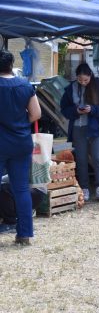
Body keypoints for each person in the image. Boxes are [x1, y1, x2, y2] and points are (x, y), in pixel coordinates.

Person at [0, 49, 41, 245]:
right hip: (21, 142)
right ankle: (24, 234)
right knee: (22, 189)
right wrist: (18, 123)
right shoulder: (25, 85)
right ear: (11, 65)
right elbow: (36, 114)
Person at [60, 63, 99, 202]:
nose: (82, 82)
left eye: (85, 80)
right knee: (81, 159)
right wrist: (75, 111)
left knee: (98, 157)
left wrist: (93, 109)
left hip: (97, 128)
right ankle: (84, 188)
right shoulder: (71, 88)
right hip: (78, 126)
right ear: (76, 77)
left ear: (90, 76)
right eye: (80, 80)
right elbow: (64, 108)